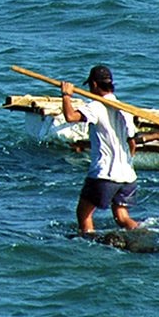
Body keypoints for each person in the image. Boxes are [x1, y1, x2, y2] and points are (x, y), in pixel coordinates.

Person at [60, 64, 140, 233]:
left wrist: (66, 95)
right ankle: (144, 234)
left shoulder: (96, 107)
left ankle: (88, 244)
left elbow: (70, 117)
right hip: (128, 175)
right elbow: (132, 144)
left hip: (105, 174)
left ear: (94, 85)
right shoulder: (125, 110)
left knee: (84, 214)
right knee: (122, 217)